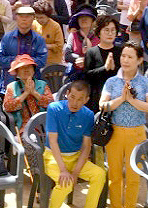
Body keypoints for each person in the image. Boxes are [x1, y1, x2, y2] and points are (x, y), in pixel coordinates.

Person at [98, 41, 148, 208]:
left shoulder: (146, 82)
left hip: (137, 133)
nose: (125, 60)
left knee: (134, 176)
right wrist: (122, 99)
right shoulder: (111, 81)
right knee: (115, 176)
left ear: (139, 60)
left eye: (130, 57)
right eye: (123, 56)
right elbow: (102, 105)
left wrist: (131, 100)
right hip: (114, 133)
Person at [44, 80, 106, 208]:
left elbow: (86, 146)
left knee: (99, 174)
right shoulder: (54, 109)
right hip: (54, 157)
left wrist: (76, 173)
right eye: (72, 97)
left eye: (80, 99)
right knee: (65, 184)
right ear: (67, 94)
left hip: (75, 157)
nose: (75, 103)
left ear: (86, 100)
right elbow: (52, 141)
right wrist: (63, 170)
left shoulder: (88, 115)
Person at [0, 6, 48, 94]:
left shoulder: (39, 39)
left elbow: (42, 61)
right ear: (16, 18)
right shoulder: (7, 38)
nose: (24, 19)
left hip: (33, 85)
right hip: (10, 83)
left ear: (33, 18)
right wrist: (16, 61)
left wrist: (25, 62)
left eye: (27, 16)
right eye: (21, 16)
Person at [2, 54, 54, 135]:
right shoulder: (11, 87)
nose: (26, 70)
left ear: (33, 70)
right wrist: (25, 93)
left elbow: (51, 104)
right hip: (23, 127)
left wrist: (34, 93)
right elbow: (7, 107)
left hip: (43, 125)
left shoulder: (42, 84)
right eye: (22, 68)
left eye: (29, 67)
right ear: (17, 72)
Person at [64, 5, 99, 80]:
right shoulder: (73, 36)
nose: (84, 19)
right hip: (76, 75)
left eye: (87, 17)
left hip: (94, 74)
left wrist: (87, 60)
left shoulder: (98, 37)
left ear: (92, 20)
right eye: (81, 17)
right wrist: (80, 59)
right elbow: (67, 55)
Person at [32, 0, 64, 66]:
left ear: (48, 16)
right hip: (37, 61)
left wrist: (45, 46)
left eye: (42, 17)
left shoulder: (55, 26)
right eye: (37, 17)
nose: (39, 20)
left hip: (52, 63)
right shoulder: (33, 24)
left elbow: (59, 46)